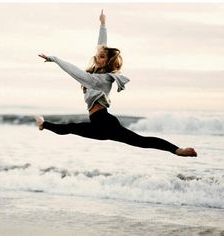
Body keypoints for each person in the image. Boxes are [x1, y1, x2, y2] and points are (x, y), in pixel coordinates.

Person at [36, 10, 197, 157]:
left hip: (104, 123)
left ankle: (177, 150)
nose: (97, 57)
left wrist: (54, 59)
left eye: (102, 57)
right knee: (71, 128)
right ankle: (43, 125)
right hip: (100, 123)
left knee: (140, 141)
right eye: (99, 55)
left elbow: (74, 71)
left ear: (107, 61)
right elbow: (101, 46)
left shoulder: (100, 79)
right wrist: (103, 25)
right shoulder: (96, 73)